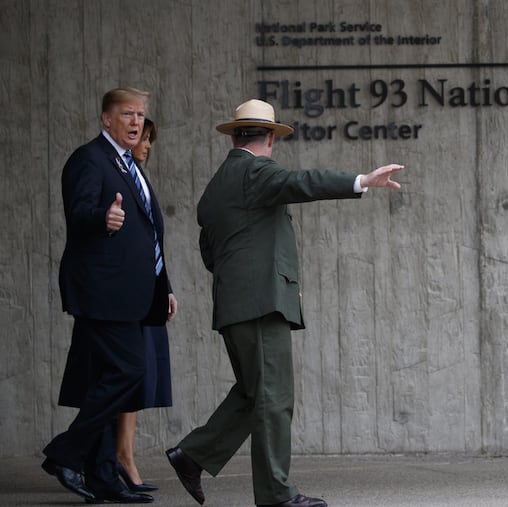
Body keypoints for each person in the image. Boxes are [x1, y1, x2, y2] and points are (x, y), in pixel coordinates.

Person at [165, 99, 403, 507]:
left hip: (237, 305)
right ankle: (275, 495)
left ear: (235, 134)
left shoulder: (218, 184)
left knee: (253, 393)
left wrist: (267, 280)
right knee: (274, 398)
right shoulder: (255, 170)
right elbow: (303, 182)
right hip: (259, 307)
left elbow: (213, 253)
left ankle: (193, 455)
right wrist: (362, 180)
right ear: (271, 138)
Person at [42, 87, 176, 504]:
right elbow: (78, 213)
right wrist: (103, 217)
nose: (136, 122)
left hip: (132, 293)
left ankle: (102, 476)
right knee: (130, 371)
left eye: (140, 114)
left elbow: (150, 231)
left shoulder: (128, 165)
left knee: (108, 379)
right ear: (106, 119)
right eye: (126, 114)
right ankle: (65, 453)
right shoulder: (89, 159)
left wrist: (164, 284)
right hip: (102, 292)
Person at [115, 118, 175, 493]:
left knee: (138, 378)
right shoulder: (119, 178)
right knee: (127, 376)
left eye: (150, 139)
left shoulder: (138, 178)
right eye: (143, 139)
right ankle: (121, 458)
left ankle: (121, 456)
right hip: (126, 296)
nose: (147, 145)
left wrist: (164, 286)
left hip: (147, 292)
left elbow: (151, 239)